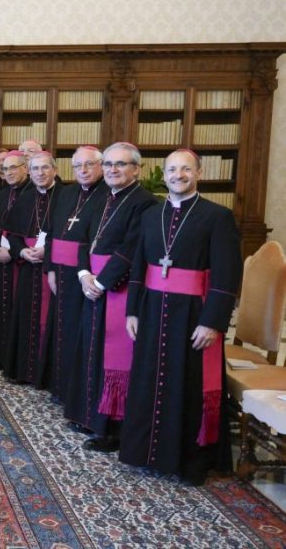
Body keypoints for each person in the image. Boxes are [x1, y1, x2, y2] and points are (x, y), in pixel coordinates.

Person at [119, 149, 241, 485]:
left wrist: (213, 321)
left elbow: (227, 274)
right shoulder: (150, 214)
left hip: (193, 315)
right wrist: (132, 310)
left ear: (198, 173)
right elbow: (139, 266)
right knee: (148, 379)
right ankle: (145, 452)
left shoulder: (217, 216)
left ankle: (188, 460)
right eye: (172, 170)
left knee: (186, 384)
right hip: (152, 309)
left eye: (185, 169)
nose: (177, 175)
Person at [65, 142, 157, 451]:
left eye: (120, 165)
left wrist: (101, 283)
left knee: (113, 356)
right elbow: (82, 241)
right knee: (90, 347)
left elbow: (132, 248)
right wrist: (82, 275)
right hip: (91, 280)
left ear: (136, 169)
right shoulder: (101, 197)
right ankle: (89, 415)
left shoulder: (144, 202)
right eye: (108, 165)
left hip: (119, 286)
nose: (112, 170)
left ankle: (113, 429)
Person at [39, 146, 106, 401]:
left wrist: (83, 272)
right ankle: (61, 386)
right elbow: (53, 232)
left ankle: (78, 391)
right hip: (61, 273)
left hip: (88, 274)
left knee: (81, 331)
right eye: (78, 166)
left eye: (89, 164)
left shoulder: (105, 195)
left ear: (101, 165)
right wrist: (51, 270)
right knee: (61, 330)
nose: (83, 170)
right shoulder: (66, 193)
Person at [2, 152, 62, 384]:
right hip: (28, 268)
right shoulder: (24, 198)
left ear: (54, 170)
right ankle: (23, 371)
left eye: (45, 168)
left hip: (52, 268)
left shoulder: (65, 197)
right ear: (29, 171)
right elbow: (13, 235)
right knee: (26, 317)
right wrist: (21, 252)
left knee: (51, 320)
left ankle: (47, 376)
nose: (40, 173)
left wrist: (48, 250)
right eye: (35, 169)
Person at [0, 151, 30, 369]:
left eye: (14, 167)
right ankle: (0, 356)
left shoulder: (31, 194)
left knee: (18, 308)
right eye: (5, 169)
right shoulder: (2, 195)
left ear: (26, 168)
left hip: (21, 261)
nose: (9, 172)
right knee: (0, 307)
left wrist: (10, 251)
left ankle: (16, 360)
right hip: (2, 260)